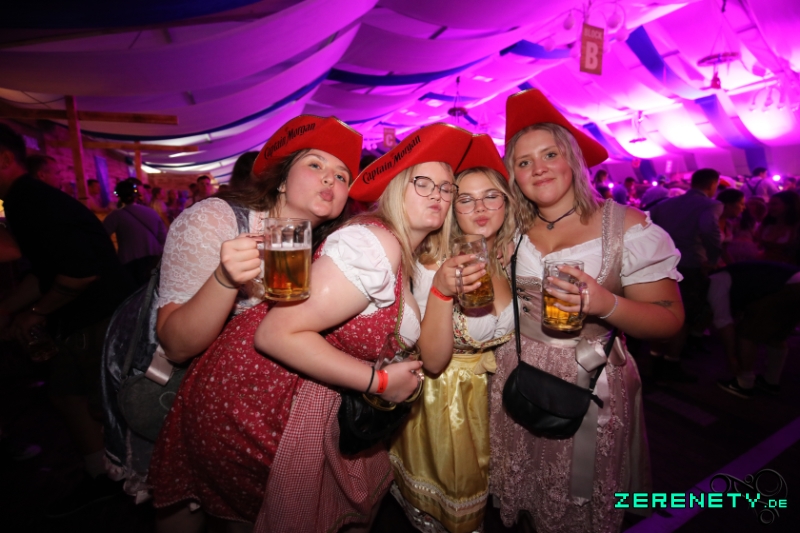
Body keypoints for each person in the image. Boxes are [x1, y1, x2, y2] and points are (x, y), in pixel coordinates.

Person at [148, 123, 474, 533]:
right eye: (422, 182)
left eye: (446, 188)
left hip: (283, 397)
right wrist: (378, 381)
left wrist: (441, 293)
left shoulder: (352, 239)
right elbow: (271, 332)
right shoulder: (367, 243)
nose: (438, 195)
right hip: (248, 399)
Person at [103, 115, 363, 513]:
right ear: (281, 180)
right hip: (180, 392)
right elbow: (176, 345)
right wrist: (225, 279)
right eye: (315, 164)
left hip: (247, 413)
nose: (330, 178)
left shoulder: (331, 247)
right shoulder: (217, 219)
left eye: (342, 176)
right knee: (179, 502)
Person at [489, 90, 684, 533]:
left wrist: (605, 304)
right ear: (514, 176)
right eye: (523, 162)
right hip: (517, 370)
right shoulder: (509, 228)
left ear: (573, 159)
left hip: (590, 379)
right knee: (525, 489)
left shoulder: (628, 227)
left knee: (577, 502)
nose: (538, 168)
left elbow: (670, 320)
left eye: (550, 154)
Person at [0, 123, 134, 516]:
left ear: (4, 159)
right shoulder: (25, 200)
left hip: (95, 318)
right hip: (85, 318)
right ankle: (103, 477)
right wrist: (10, 308)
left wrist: (35, 313)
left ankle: (129, 482)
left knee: (99, 404)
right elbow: (47, 271)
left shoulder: (30, 201)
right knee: (68, 397)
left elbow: (80, 272)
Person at [389, 134, 516, 533]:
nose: (480, 208)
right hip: (446, 403)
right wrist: (443, 292)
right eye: (466, 199)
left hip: (496, 400)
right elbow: (432, 361)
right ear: (451, 208)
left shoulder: (510, 255)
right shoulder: (433, 264)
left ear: (507, 202)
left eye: (491, 196)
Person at [650, 168, 722, 379]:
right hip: (689, 264)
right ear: (712, 184)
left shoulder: (665, 204)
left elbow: (649, 228)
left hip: (661, 263)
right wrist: (714, 258)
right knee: (684, 315)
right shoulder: (710, 205)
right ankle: (671, 362)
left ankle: (655, 359)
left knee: (660, 311)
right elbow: (709, 230)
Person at [710, 261, 800, 398]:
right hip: (793, 282)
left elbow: (723, 322)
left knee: (747, 334)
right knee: (776, 336)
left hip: (786, 287)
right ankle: (771, 381)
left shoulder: (715, 280)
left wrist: (731, 357)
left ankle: (744, 383)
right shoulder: (731, 273)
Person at [103, 180, 168, 286]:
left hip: (129, 260)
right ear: (136, 195)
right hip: (153, 257)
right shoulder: (152, 212)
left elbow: (102, 237)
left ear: (118, 196)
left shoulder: (115, 215)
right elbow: (162, 237)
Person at [754, 191, 800, 265]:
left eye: (774, 204)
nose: (770, 207)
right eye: (769, 204)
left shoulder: (796, 228)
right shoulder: (766, 225)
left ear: (788, 206)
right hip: (764, 266)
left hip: (788, 268)